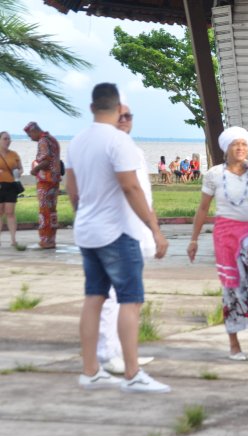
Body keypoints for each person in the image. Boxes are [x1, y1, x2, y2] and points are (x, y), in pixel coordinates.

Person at [66, 82, 170, 393]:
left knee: (94, 298)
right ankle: (133, 373)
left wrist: (84, 214)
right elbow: (131, 187)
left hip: (87, 231)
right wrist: (154, 228)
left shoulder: (76, 141)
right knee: (131, 300)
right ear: (119, 108)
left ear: (92, 106)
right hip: (117, 232)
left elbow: (72, 190)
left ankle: (90, 370)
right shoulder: (119, 141)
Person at [187, 126, 248, 361]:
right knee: (232, 288)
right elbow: (202, 209)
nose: (240, 148)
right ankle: (234, 343)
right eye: (235, 144)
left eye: (244, 144)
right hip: (227, 236)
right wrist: (193, 239)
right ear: (226, 148)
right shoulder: (214, 174)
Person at [96, 97, 156, 375]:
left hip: (131, 231)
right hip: (114, 232)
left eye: (128, 116)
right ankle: (108, 354)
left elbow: (142, 191)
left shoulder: (131, 148)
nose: (124, 121)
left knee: (127, 296)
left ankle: (124, 351)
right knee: (111, 296)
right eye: (119, 116)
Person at [24, 121, 61, 250]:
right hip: (55, 180)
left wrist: (35, 170)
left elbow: (45, 161)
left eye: (30, 135)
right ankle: (52, 240)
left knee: (44, 211)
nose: (30, 138)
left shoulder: (43, 141)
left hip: (45, 181)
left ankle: (45, 240)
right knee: (52, 211)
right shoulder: (53, 140)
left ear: (34, 131)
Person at [0, 131, 24, 247]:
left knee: (10, 212)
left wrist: (18, 173)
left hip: (11, 185)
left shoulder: (14, 154)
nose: (8, 141)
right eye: (5, 139)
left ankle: (13, 240)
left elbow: (21, 169)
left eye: (9, 139)